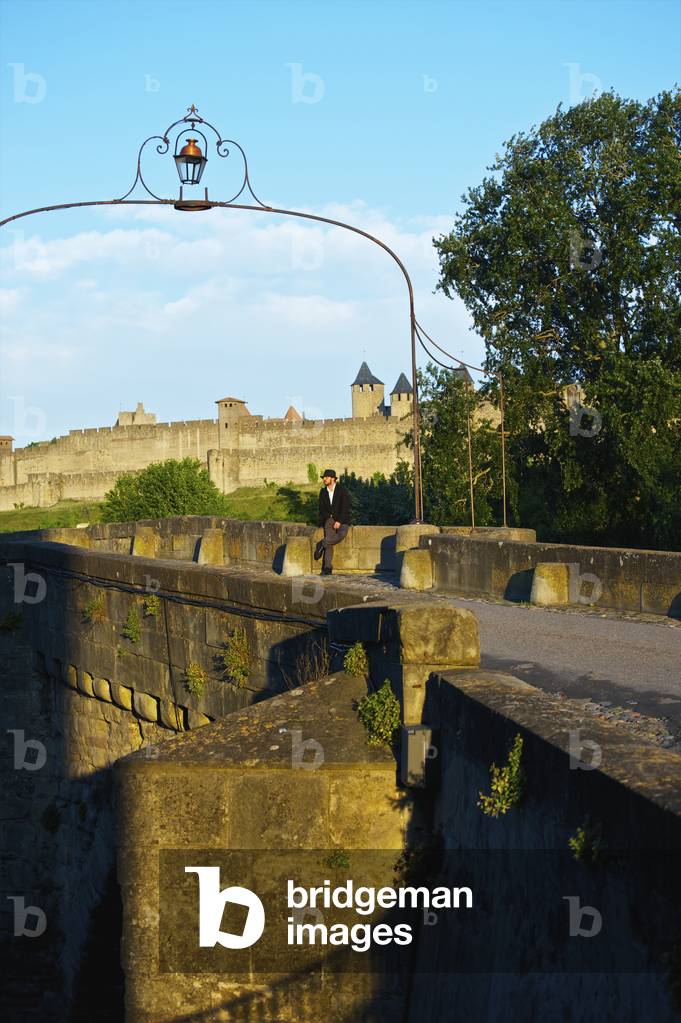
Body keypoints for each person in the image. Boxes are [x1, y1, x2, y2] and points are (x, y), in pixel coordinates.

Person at [314, 469, 350, 575]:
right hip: (328, 520)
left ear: (333, 479)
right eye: (324, 477)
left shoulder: (342, 490)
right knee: (330, 544)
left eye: (326, 477)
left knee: (342, 534)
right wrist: (328, 518)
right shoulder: (323, 492)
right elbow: (321, 508)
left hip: (342, 519)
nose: (324, 479)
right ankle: (327, 567)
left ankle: (322, 543)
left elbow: (345, 506)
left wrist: (339, 520)